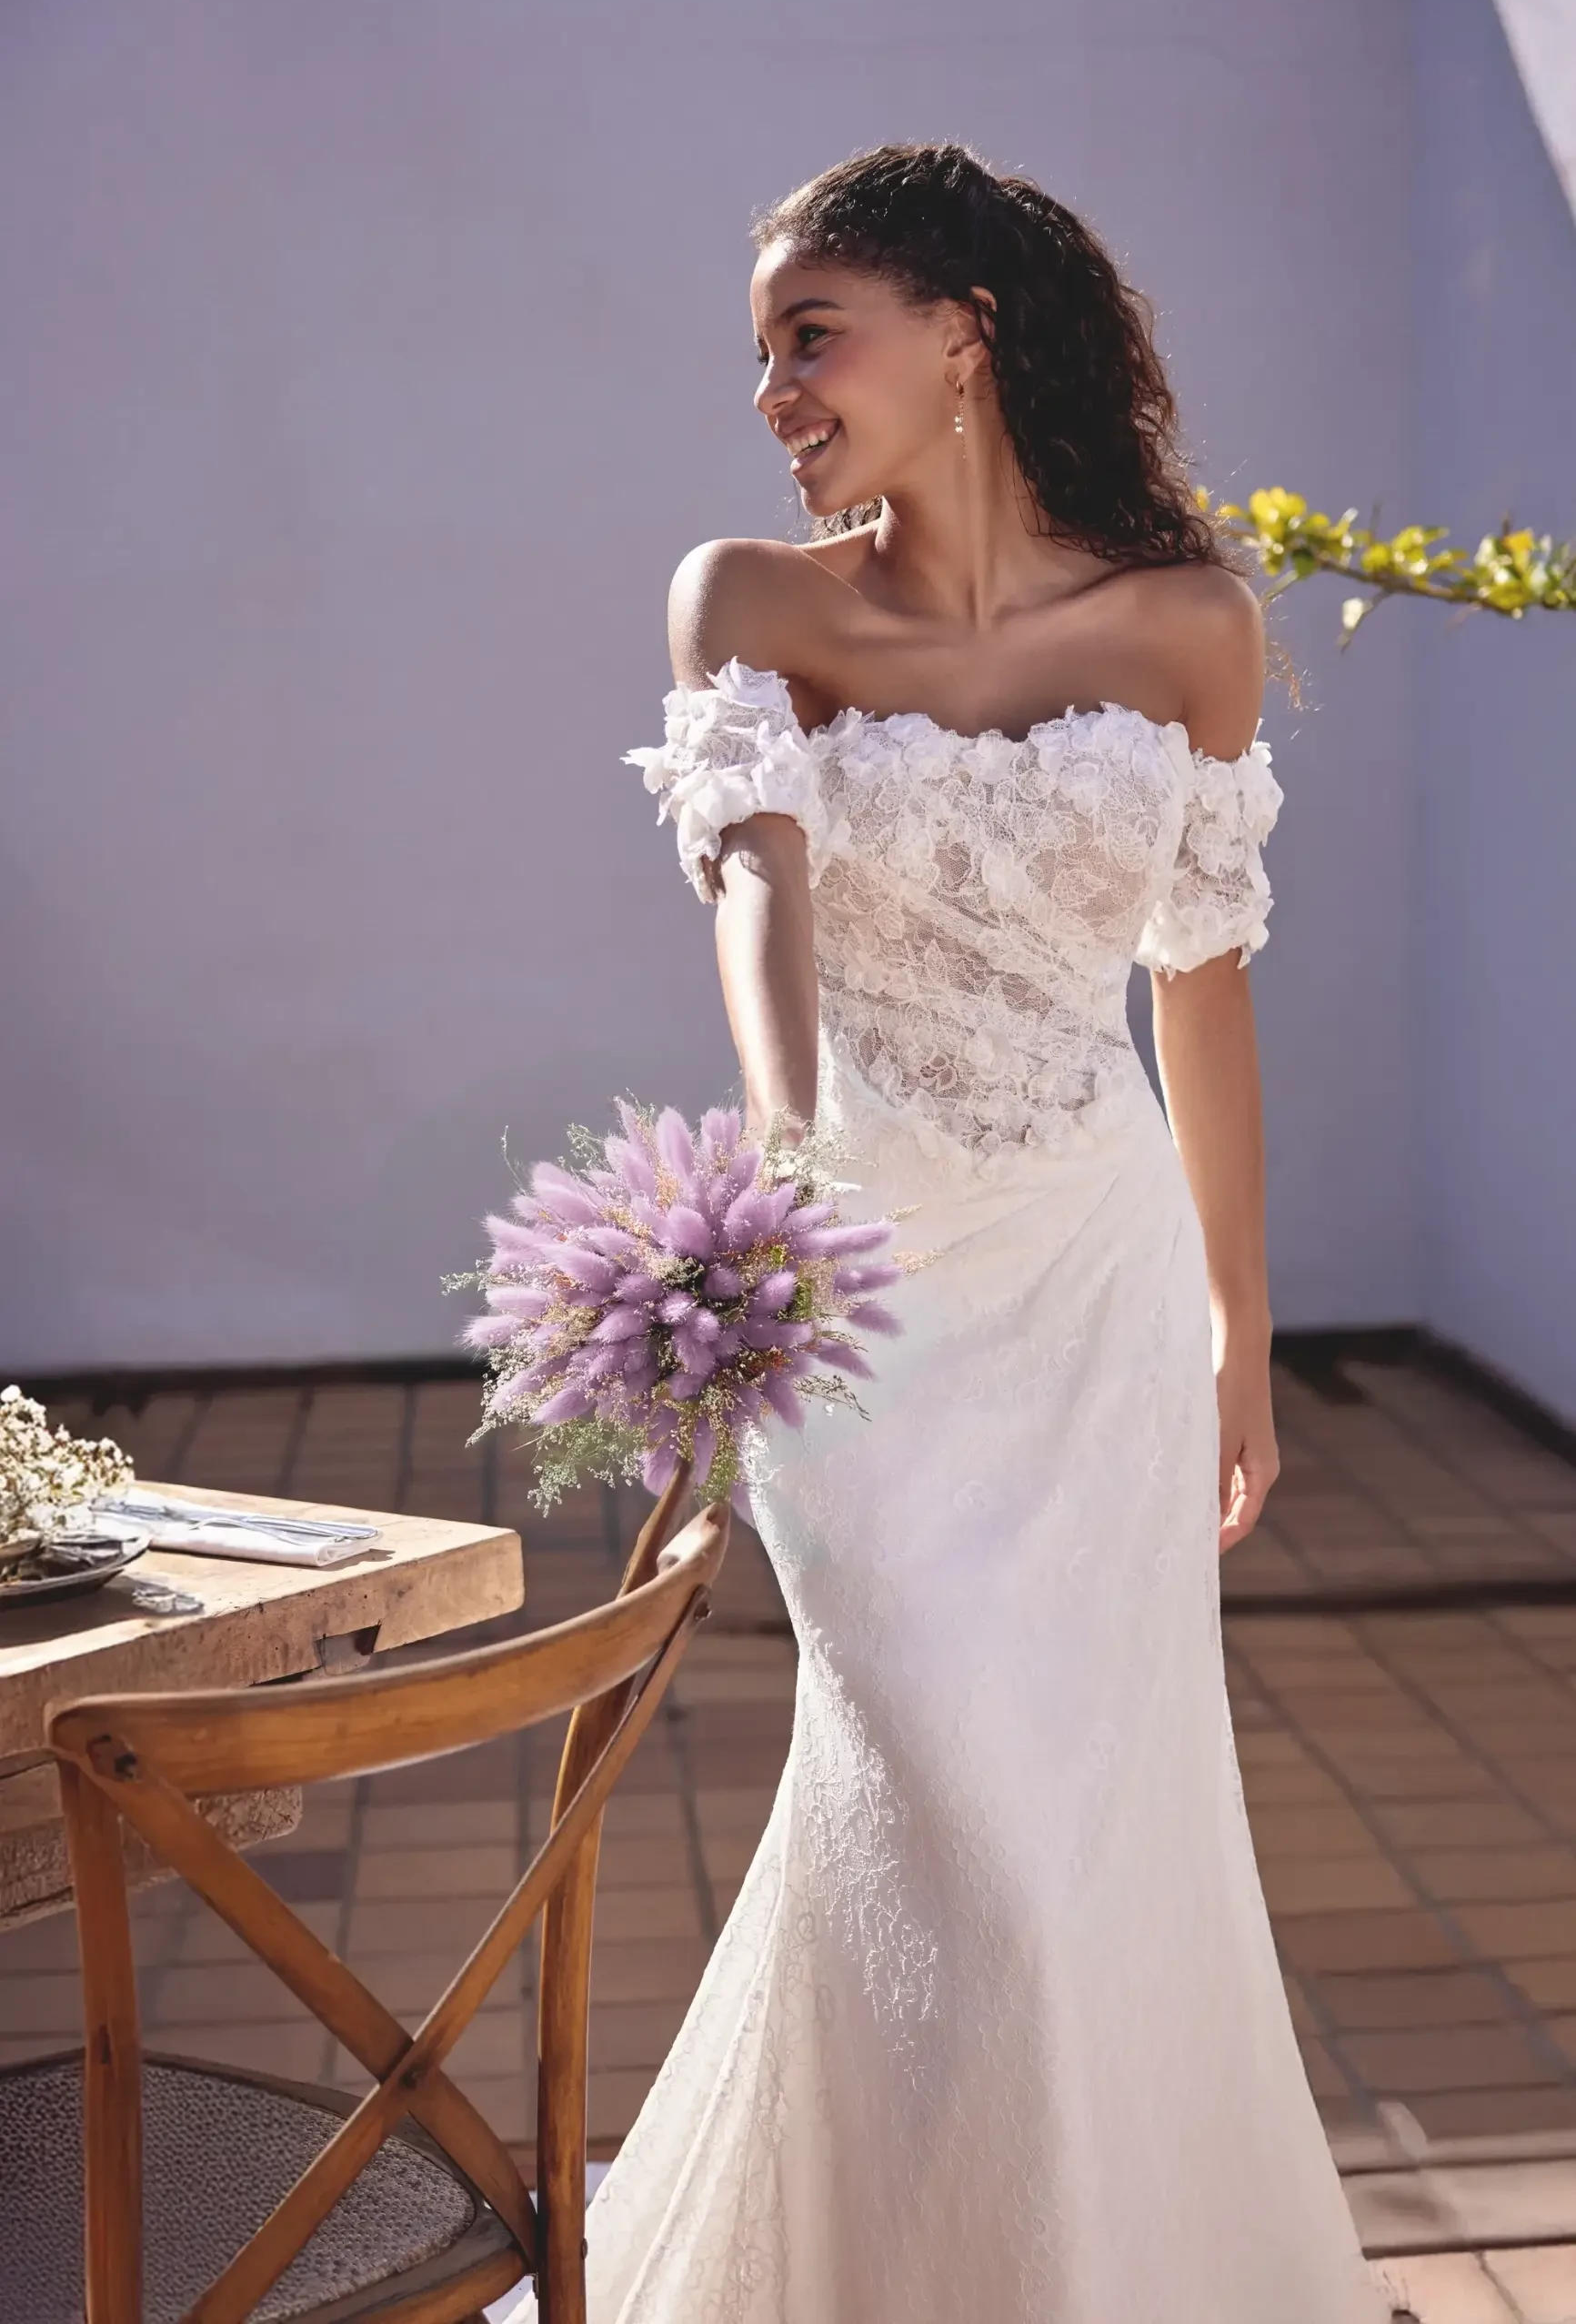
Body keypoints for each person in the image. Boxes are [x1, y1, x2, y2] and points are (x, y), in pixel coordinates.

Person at [505, 142, 1392, 2322]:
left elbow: (1200, 979)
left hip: (1093, 1287)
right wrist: (789, 1158)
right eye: (761, 353)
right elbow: (752, 877)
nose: (773, 391)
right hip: (865, 1290)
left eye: (811, 335)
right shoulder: (754, 601)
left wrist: (1237, 1324)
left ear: (962, 337)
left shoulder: (1187, 622)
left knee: (1091, 1827)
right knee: (944, 1800)